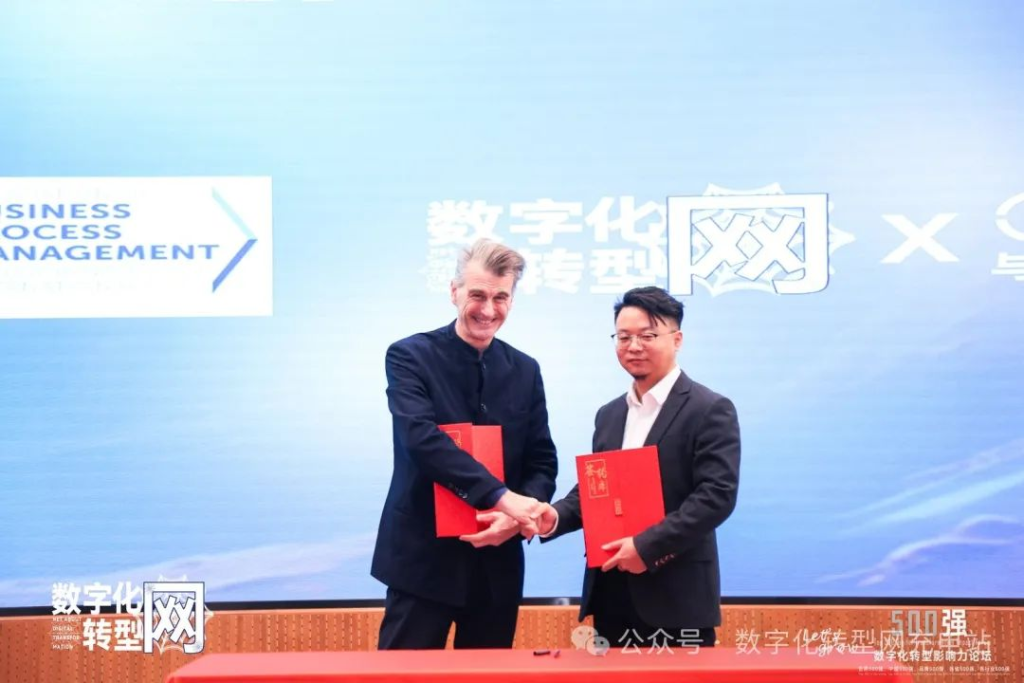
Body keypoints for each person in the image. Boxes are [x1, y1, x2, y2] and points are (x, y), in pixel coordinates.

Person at [371, 238, 558, 650]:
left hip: (497, 565)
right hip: (422, 560)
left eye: (500, 297)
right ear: (454, 291)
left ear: (511, 301)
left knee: (488, 676)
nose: (488, 310)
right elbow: (422, 440)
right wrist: (502, 498)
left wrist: (518, 517)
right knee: (402, 678)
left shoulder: (525, 370)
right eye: (477, 295)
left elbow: (542, 460)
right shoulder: (409, 356)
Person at [535, 286, 740, 648]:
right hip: (612, 593)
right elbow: (596, 489)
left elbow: (715, 497)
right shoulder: (610, 414)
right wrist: (554, 516)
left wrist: (645, 547)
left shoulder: (709, 409)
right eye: (624, 336)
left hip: (676, 597)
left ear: (677, 339)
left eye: (647, 336)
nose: (633, 346)